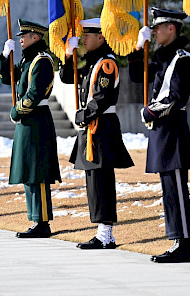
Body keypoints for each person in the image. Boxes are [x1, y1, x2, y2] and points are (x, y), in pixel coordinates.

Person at [127, 8, 190, 263]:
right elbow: (137, 75)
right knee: (168, 189)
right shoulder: (163, 57)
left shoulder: (182, 59)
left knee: (177, 188)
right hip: (160, 130)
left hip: (173, 127)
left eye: (158, 27)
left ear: (172, 28)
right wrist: (138, 46)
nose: (154, 31)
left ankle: (184, 243)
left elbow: (177, 98)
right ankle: (176, 239)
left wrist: (150, 112)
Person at [59, 18, 134, 249]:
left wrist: (85, 114)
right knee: (93, 181)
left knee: (101, 180)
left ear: (101, 37)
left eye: (87, 35)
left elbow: (103, 97)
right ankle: (102, 232)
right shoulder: (93, 62)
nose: (83, 39)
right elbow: (65, 77)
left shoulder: (106, 64)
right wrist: (69, 55)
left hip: (102, 126)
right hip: (93, 126)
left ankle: (106, 233)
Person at [0, 20, 61, 238]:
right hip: (28, 122)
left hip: (36, 120)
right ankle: (35, 219)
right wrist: (5, 57)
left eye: (24, 35)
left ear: (36, 37)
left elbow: (34, 94)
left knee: (38, 173)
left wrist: (16, 111)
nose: (20, 39)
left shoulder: (41, 61)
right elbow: (8, 78)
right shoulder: (28, 61)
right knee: (28, 172)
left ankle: (43, 222)